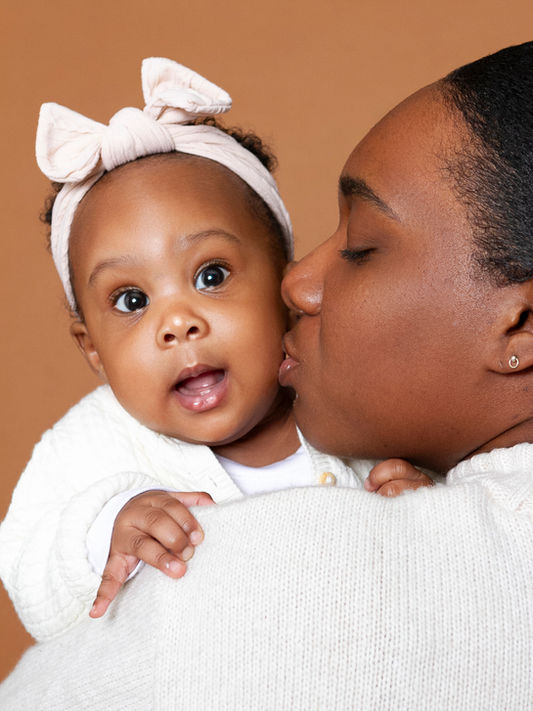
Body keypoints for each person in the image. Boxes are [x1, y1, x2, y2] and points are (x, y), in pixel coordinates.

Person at [2, 41, 533, 709]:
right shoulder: (92, 445)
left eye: (212, 275)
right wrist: (106, 529)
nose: (178, 322)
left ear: (277, 275)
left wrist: (414, 502)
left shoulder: (344, 415)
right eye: (131, 301)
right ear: (92, 351)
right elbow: (29, 553)